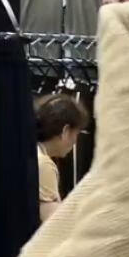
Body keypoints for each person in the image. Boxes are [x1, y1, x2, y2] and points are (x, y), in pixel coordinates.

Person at [35, 93, 86, 223]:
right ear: (66, 131)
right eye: (77, 133)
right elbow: (54, 223)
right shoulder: (44, 165)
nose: (75, 141)